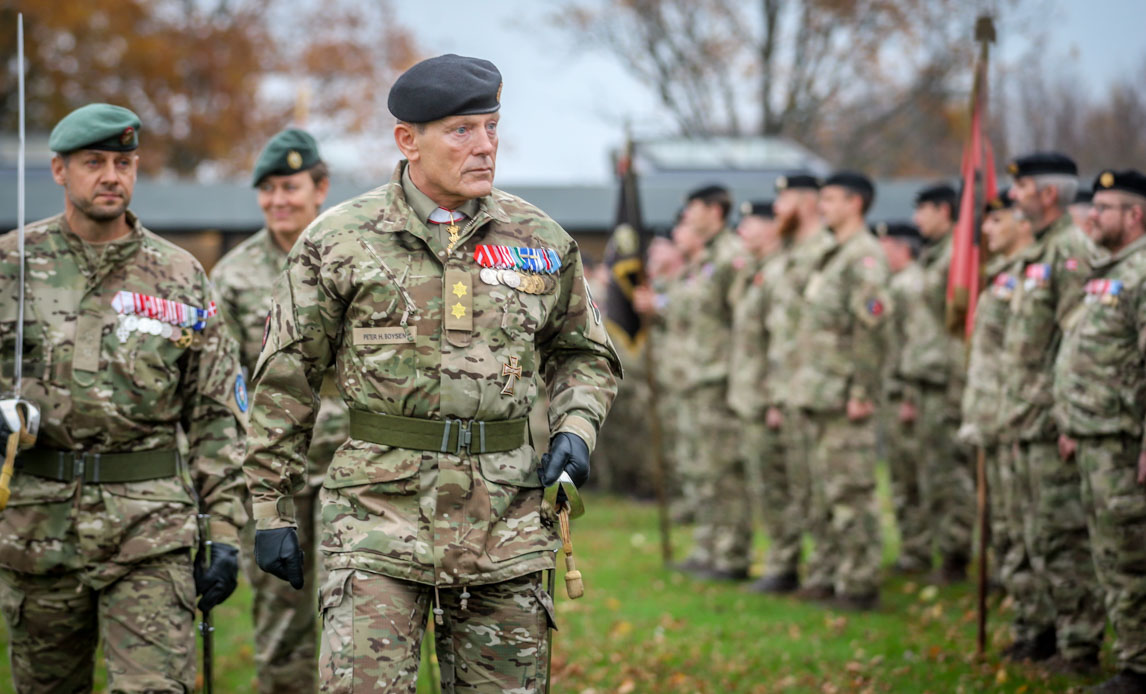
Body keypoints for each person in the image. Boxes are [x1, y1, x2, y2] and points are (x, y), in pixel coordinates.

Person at [242, 54, 620, 693]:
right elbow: (286, 381)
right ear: (407, 140)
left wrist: (576, 429)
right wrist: (271, 508)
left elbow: (584, 352)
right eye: (462, 131)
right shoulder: (339, 241)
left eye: (491, 128)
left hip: (506, 523)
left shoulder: (540, 239)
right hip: (374, 520)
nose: (485, 147)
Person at [0, 104, 246, 691]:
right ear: (59, 170)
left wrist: (228, 534)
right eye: (95, 162)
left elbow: (215, 414)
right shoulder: (12, 264)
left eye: (124, 162)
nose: (112, 175)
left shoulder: (180, 275)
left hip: (150, 529)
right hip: (37, 527)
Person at [212, 128, 347, 694]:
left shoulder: (355, 255)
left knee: (361, 620)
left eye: (290, 186)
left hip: (354, 474)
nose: (278, 200)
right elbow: (220, 389)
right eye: (266, 190)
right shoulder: (234, 278)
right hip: (276, 482)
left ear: (321, 188)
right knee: (283, 624)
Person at [998, 152, 1105, 670]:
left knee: (1062, 537)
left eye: (1020, 188)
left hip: (1051, 420)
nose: (1011, 196)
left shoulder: (1070, 251)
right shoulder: (1037, 251)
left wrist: (1067, 416)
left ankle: (1079, 644)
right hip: (1025, 417)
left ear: (1046, 194)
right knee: (1031, 534)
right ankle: (1042, 633)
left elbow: (1077, 341)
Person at [1053, 170, 1146, 694]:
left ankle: (1139, 668)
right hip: (1092, 435)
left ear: (1134, 216)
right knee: (1108, 557)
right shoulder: (1105, 270)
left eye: (1104, 207)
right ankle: (1130, 658)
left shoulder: (1142, 272)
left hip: (1122, 440)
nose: (1091, 215)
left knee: (1130, 559)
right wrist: (1070, 422)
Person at [790, 171, 890, 611]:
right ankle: (830, 572)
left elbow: (871, 330)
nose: (821, 206)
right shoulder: (832, 254)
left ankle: (860, 582)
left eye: (829, 198)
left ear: (855, 203)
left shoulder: (864, 256)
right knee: (822, 491)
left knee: (852, 492)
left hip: (846, 396)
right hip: (818, 391)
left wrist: (862, 391)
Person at [662, 185, 752, 581]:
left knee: (724, 472)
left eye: (693, 207)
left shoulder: (733, 257)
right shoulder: (704, 261)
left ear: (715, 210)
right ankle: (708, 546)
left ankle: (731, 554)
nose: (687, 214)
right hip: (694, 378)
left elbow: (744, 325)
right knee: (702, 470)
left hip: (719, 381)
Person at [755, 172, 835, 594]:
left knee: (824, 488)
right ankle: (816, 569)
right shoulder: (786, 256)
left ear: (804, 202)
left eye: (782, 200)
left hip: (816, 388)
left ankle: (831, 572)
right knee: (802, 488)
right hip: (788, 389)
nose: (777, 210)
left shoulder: (824, 253)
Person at [957, 191, 1034, 600]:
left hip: (1020, 416)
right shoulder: (999, 273)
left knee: (1027, 524)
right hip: (992, 414)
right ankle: (1023, 614)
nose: (985, 230)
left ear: (1024, 223)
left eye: (995, 221)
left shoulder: (1037, 272)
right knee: (1002, 522)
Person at [896, 183, 974, 582]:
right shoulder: (934, 257)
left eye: (923, 210)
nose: (916, 220)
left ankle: (958, 555)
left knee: (951, 473)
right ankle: (947, 549)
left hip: (948, 380)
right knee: (932, 472)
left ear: (945, 211)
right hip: (926, 376)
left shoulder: (960, 256)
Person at [725, 201, 786, 589]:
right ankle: (781, 560)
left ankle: (784, 563)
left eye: (751, 223)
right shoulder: (754, 271)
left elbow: (780, 342)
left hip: (767, 396)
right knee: (763, 483)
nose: (743, 230)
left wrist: (776, 397)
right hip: (748, 393)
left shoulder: (779, 273)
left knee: (777, 485)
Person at [875, 221, 929, 575]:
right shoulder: (894, 284)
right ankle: (913, 548)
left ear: (901, 248)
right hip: (891, 392)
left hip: (907, 394)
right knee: (899, 477)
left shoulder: (911, 285)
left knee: (915, 476)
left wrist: (909, 394)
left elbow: (916, 343)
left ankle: (922, 548)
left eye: (886, 244)